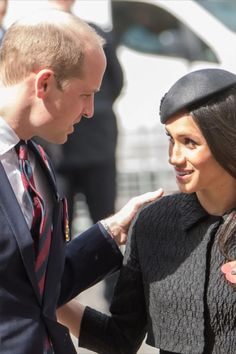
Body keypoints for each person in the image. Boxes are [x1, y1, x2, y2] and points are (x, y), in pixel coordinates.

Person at [0, 9, 163, 354]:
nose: (90, 111)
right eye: (85, 94)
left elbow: (38, 287)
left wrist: (111, 231)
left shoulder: (36, 159)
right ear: (43, 84)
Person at [57, 68, 236, 354]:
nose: (174, 157)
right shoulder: (152, 223)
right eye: (171, 139)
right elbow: (120, 338)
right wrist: (46, 297)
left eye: (190, 143)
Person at [49, 0, 124, 303]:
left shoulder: (95, 35)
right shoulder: (39, 39)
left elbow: (116, 81)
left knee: (107, 223)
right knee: (55, 230)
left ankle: (117, 296)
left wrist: (90, 106)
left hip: (95, 148)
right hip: (57, 155)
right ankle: (56, 296)